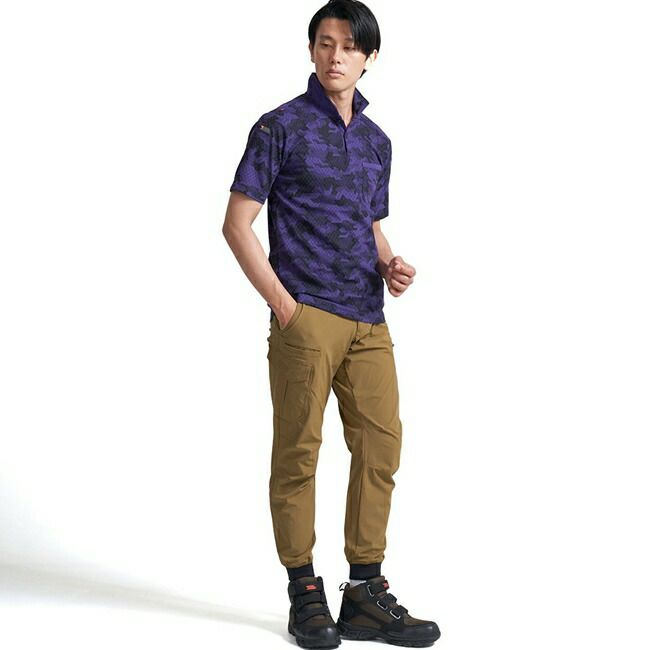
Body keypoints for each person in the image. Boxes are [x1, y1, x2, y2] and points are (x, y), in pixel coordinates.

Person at [223, 1, 441, 647]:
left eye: (348, 45)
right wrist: (285, 306)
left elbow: (368, 224)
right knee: (299, 453)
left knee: (381, 449)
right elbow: (237, 224)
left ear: (369, 57)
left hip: (368, 318)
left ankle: (365, 592)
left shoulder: (377, 142)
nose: (335, 55)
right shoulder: (279, 127)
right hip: (307, 315)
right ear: (312, 50)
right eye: (325, 42)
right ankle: (304, 593)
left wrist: (388, 263)